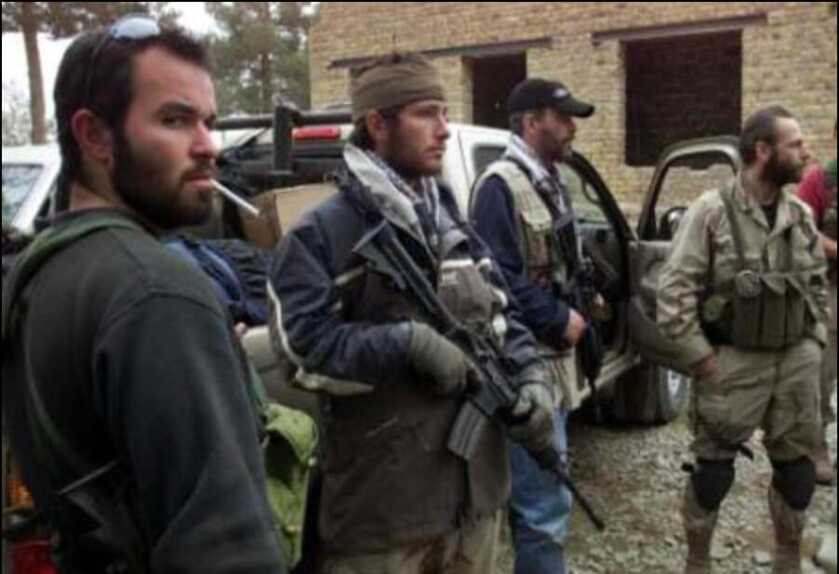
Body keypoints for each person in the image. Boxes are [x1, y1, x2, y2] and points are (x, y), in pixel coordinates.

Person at [1, 16, 286, 573]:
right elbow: (227, 554)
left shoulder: (42, 269)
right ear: (94, 136)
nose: (208, 147)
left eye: (209, 122)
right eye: (175, 120)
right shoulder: (156, 291)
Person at [267, 52, 553, 574]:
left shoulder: (451, 222)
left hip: (475, 504)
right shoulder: (322, 234)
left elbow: (502, 316)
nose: (444, 130)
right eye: (427, 114)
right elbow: (299, 349)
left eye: (445, 113)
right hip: (386, 519)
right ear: (378, 124)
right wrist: (406, 344)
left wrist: (531, 375)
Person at [658, 105, 830, 574]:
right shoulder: (711, 212)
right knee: (712, 474)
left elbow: (816, 283)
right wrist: (701, 358)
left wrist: (814, 340)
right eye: (795, 144)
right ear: (763, 151)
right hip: (732, 364)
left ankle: (787, 559)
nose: (806, 152)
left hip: (794, 363)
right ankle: (698, 561)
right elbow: (672, 292)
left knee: (797, 474)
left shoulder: (798, 214)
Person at [470, 77, 596, 574]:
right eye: (562, 119)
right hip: (527, 368)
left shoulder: (549, 180)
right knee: (543, 508)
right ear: (530, 122)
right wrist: (556, 316)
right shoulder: (499, 186)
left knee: (547, 502)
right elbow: (493, 277)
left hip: (556, 365)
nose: (570, 130)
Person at [798, 120, 837, 486]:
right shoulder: (820, 182)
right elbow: (804, 229)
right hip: (831, 288)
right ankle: (817, 448)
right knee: (821, 375)